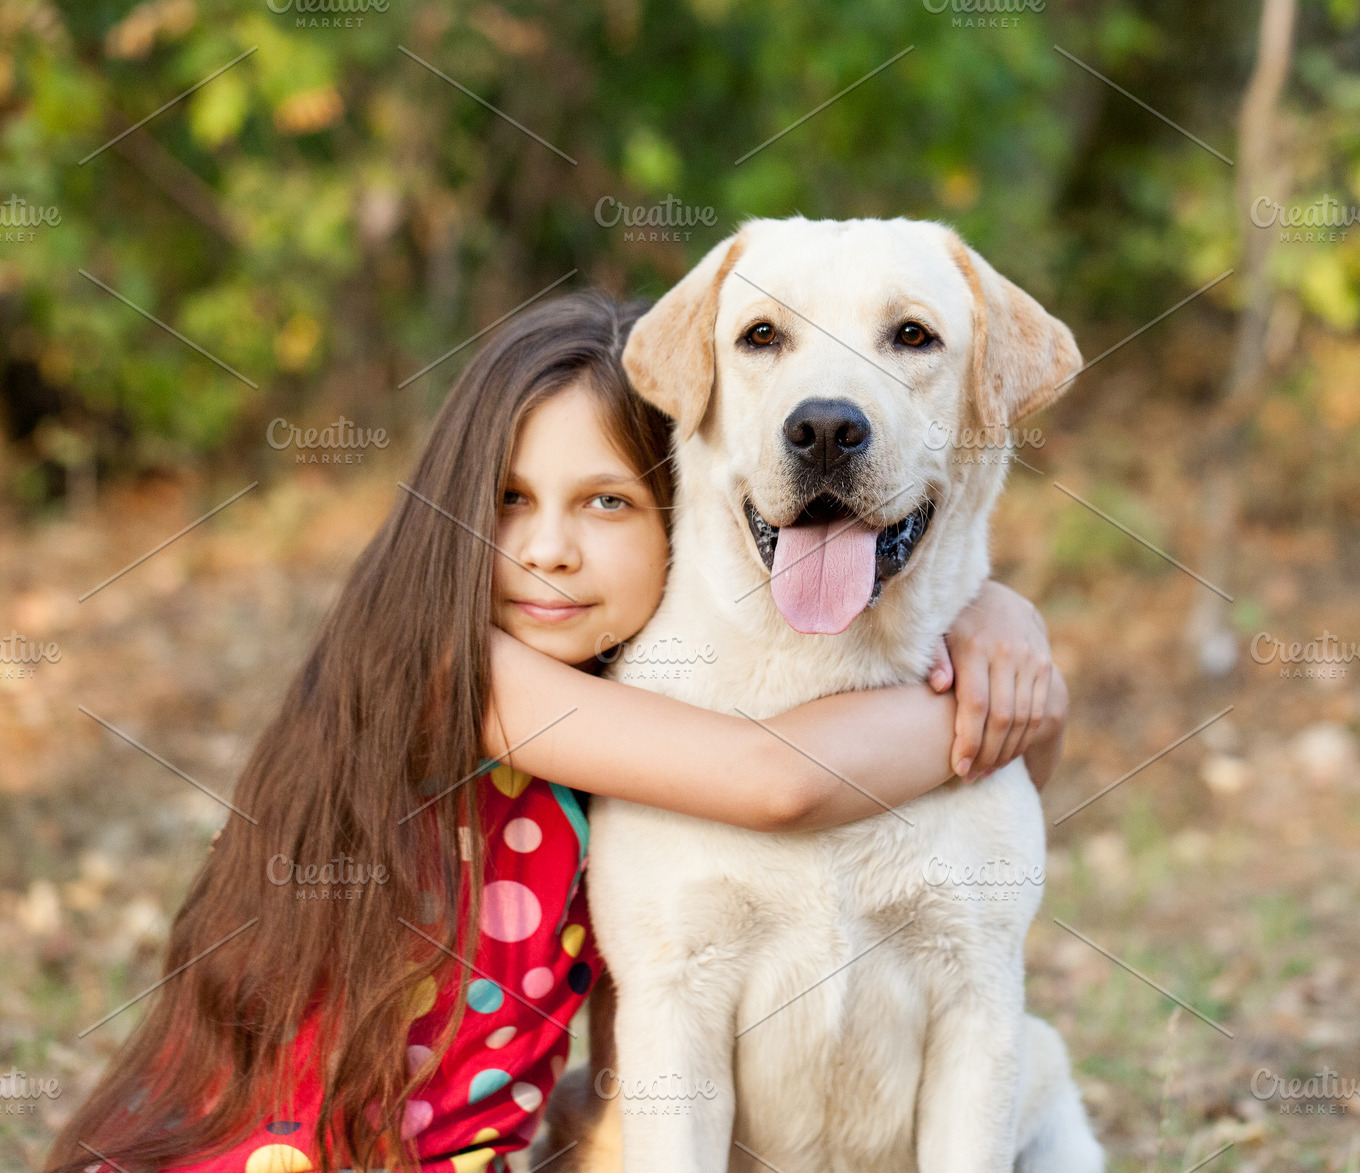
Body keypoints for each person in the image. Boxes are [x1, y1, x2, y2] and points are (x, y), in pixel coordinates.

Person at [48, 292, 1067, 1173]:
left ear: (685, 512)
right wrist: (991, 676)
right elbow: (778, 782)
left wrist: (983, 621)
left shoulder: (642, 708)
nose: (547, 551)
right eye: (506, 501)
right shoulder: (463, 674)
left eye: (606, 504)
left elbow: (648, 1030)